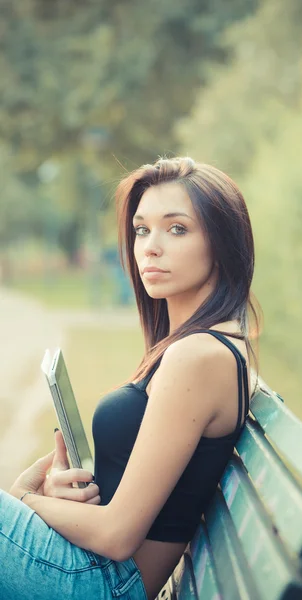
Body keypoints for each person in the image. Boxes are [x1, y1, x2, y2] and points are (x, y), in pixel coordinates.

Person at [1, 156, 261, 600]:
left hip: (101, 582)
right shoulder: (197, 346)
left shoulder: (197, 356)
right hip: (94, 569)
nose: (149, 247)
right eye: (142, 229)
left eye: (177, 228)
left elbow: (118, 535)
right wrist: (59, 496)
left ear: (221, 244)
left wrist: (26, 499)